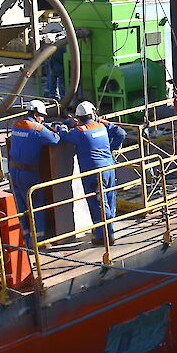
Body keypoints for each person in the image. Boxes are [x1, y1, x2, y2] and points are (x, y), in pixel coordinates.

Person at [57, 100, 127, 245]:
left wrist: (64, 126)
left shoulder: (80, 132)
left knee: (98, 203)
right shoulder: (101, 126)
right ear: (93, 113)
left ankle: (105, 236)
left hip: (93, 173)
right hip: (109, 168)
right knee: (108, 199)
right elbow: (121, 133)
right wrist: (111, 148)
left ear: (79, 117)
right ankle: (108, 229)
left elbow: (64, 137)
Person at [8, 99, 60, 246]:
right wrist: (58, 129)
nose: (43, 119)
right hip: (29, 174)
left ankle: (24, 240)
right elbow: (55, 140)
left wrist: (44, 127)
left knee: (22, 206)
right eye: (42, 116)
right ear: (36, 114)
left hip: (14, 171)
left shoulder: (16, 125)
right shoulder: (37, 129)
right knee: (36, 205)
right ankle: (38, 242)